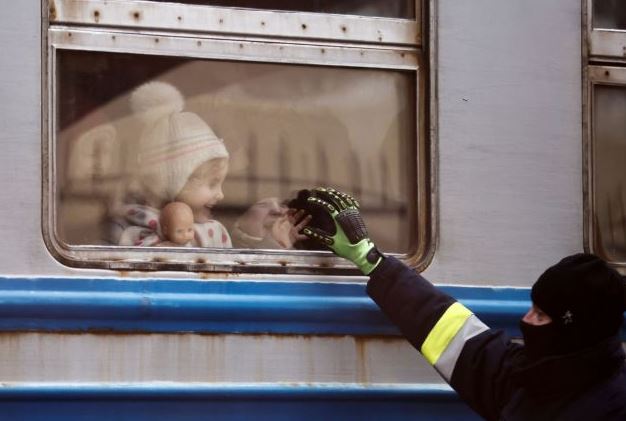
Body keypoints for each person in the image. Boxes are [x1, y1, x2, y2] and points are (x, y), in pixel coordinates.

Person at [297, 187, 626, 421]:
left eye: (541, 315)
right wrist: (370, 259)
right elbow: (447, 328)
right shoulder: (529, 375)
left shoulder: (611, 404)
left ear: (575, 330)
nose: (526, 320)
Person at [113, 81, 232, 247]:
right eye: (212, 183)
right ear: (170, 184)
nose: (221, 195)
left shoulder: (213, 233)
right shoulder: (129, 228)